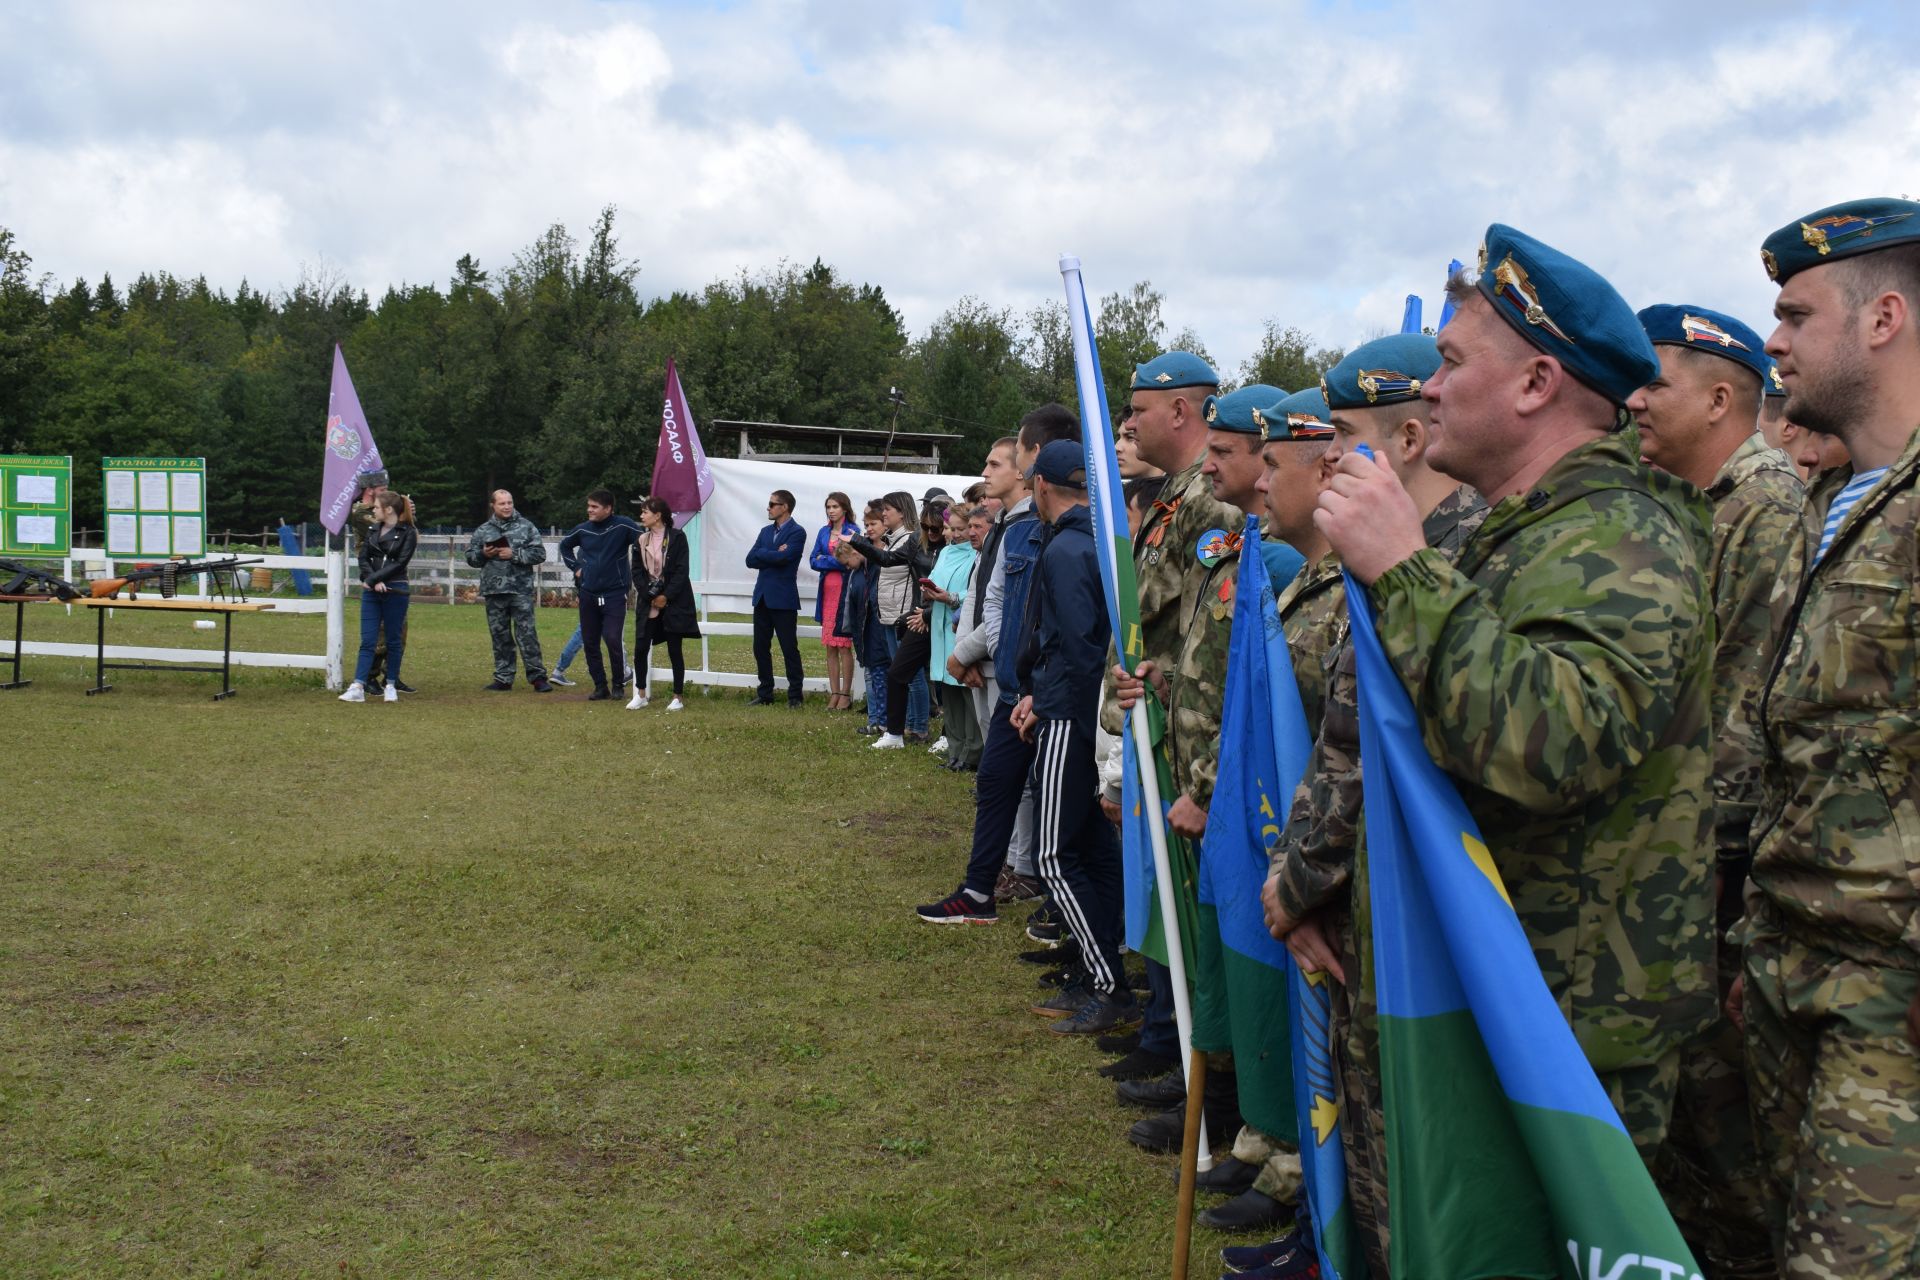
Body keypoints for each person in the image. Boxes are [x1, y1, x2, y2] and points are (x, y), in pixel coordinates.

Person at [1310, 225, 1716, 1272]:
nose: (1428, 391)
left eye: (1451, 365)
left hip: (1563, 1033)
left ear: (1537, 382)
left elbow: (1556, 740)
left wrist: (1401, 568)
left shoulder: (1624, 535)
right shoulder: (1519, 530)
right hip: (1488, 997)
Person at [1261, 344, 1487, 1251]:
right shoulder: (1388, 550)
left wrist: (1300, 881)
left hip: (1410, 905)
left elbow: (1371, 746)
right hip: (1355, 892)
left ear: (1409, 436)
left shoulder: (1447, 553)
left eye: (1344, 439)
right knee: (1366, 1134)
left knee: (1413, 1166)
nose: (1329, 461)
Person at [1740, 197, 1920, 1278]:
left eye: (1796, 314)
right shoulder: (1833, 498)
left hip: (1892, 996)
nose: (1775, 340)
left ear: (1884, 317)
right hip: (1790, 958)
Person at [1626, 302, 1802, 1276]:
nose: (1637, 402)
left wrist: (1708, 863)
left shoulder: (1761, 501)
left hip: (1725, 862)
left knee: (1730, 1123)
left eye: (1655, 383)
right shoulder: (1693, 501)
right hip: (1692, 852)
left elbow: (1745, 703)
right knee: (1692, 1114)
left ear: (1723, 396)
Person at [916, 405, 1080, 924]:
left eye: (994, 463)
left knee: (1057, 799)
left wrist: (973, 653)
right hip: (1012, 679)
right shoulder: (1014, 527)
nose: (984, 474)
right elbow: (991, 603)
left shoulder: (1045, 530)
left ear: (1030, 459)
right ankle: (981, 889)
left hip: (1038, 687)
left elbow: (1036, 617)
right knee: (997, 781)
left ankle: (1055, 898)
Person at [1011, 439, 1131, 1034]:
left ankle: (1107, 982)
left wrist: (1074, 726)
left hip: (1073, 722)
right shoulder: (1095, 543)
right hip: (1074, 714)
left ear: (1041, 487)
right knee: (1090, 852)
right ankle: (1095, 973)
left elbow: (1084, 652)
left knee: (1054, 856)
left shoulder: (1065, 549)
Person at [845, 491, 933, 748]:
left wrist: (857, 541)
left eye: (888, 509)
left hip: (902, 612)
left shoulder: (910, 539)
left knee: (911, 673)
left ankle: (918, 726)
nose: (883, 514)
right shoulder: (894, 538)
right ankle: (908, 722)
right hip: (889, 612)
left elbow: (888, 562)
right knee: (899, 671)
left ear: (902, 512)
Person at [558, 487, 643, 701]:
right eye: (589, 506)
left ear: (608, 508)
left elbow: (644, 543)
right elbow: (565, 546)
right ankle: (600, 686)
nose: (590, 510)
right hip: (588, 593)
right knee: (590, 641)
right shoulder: (583, 529)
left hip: (615, 593)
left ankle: (618, 684)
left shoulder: (623, 525)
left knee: (613, 638)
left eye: (594, 507)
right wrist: (576, 568)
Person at [465, 489, 551, 692]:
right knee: (500, 636)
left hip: (519, 590)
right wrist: (483, 553)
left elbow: (539, 554)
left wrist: (515, 554)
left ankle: (538, 677)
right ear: (493, 505)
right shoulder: (483, 530)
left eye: (509, 503)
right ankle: (503, 678)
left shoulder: (527, 527)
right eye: (502, 503)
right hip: (494, 591)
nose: (506, 507)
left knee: (527, 634)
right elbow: (470, 558)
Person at [339, 491, 416, 704]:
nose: (373, 510)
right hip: (372, 591)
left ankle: (390, 684)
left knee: (393, 639)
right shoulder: (373, 530)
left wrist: (374, 579)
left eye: (376, 507)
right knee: (368, 640)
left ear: (388, 510)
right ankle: (358, 685)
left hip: (396, 591)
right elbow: (363, 558)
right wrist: (372, 580)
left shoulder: (408, 533)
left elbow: (400, 562)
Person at [629, 497, 700, 711]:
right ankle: (640, 693)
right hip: (648, 601)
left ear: (658, 515)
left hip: (673, 602)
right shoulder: (640, 540)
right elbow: (637, 572)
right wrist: (650, 596)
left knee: (674, 648)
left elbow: (681, 570)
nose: (641, 516)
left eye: (645, 512)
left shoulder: (678, 538)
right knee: (641, 647)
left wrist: (665, 596)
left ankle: (677, 696)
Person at [925, 504, 979, 769]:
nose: (955, 534)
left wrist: (953, 598)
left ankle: (971, 753)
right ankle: (955, 750)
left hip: (960, 628)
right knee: (949, 694)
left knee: (966, 694)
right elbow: (935, 579)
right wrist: (930, 591)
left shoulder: (977, 555)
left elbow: (979, 594)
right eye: (952, 529)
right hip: (940, 625)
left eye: (961, 529)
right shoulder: (945, 552)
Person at [744, 489, 807, 707]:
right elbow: (750, 559)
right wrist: (772, 553)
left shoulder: (797, 532)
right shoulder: (764, 531)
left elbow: (786, 558)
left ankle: (795, 695)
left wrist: (766, 553)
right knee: (760, 647)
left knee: (789, 647)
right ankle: (765, 693)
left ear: (785, 507)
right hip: (762, 598)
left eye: (772, 504)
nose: (768, 508)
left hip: (783, 599)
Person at [811, 492, 859, 711]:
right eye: (828, 506)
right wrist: (833, 560)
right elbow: (813, 560)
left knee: (844, 646)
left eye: (835, 507)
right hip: (827, 592)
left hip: (845, 592)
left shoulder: (854, 531)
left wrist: (826, 560)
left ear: (845, 509)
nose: (831, 510)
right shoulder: (823, 531)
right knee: (830, 646)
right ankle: (834, 692)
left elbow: (848, 561)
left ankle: (846, 693)